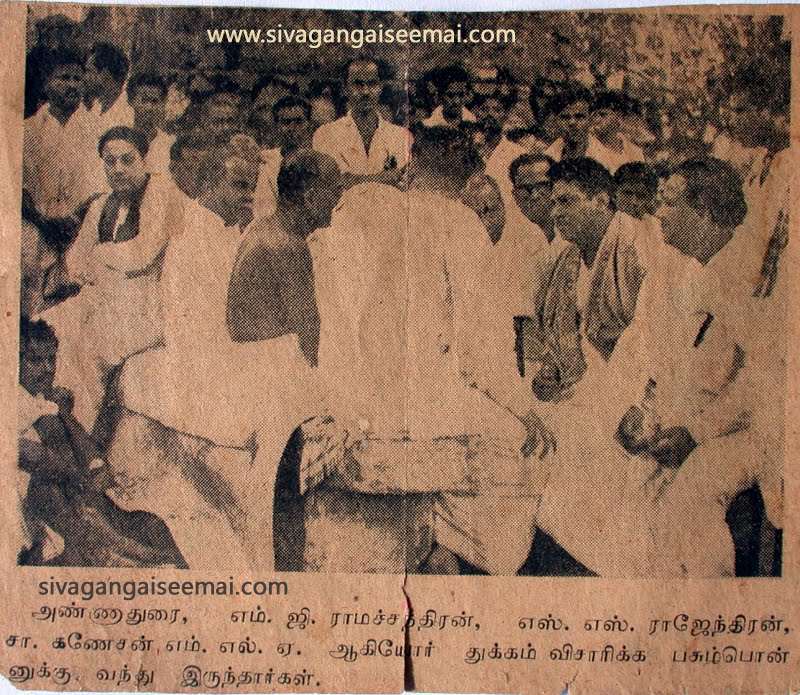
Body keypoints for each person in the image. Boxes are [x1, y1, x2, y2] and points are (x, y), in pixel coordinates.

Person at [305, 127, 552, 575]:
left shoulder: (356, 204)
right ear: (471, 180)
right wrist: (523, 410)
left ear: (412, 161)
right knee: (529, 451)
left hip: (346, 398)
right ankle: (468, 559)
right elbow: (484, 348)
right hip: (424, 403)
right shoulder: (461, 223)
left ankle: (436, 545)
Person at [40, 126, 180, 432]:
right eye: (110, 161)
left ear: (145, 160)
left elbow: (143, 253)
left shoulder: (160, 195)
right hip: (106, 299)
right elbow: (76, 261)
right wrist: (104, 263)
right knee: (53, 326)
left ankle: (81, 440)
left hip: (148, 308)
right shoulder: (103, 204)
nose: (118, 169)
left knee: (91, 352)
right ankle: (56, 429)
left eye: (127, 160)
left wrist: (101, 255)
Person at [17, 317, 183, 567]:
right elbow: (35, 457)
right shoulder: (17, 403)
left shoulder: (47, 401)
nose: (47, 368)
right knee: (50, 484)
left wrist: (70, 421)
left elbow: (87, 449)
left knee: (149, 524)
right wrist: (81, 477)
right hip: (44, 496)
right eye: (36, 361)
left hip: (75, 491)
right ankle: (111, 545)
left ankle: (118, 543)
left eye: (51, 359)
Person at [23, 46, 106, 221]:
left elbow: (98, 188)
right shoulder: (29, 130)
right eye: (64, 77)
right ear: (46, 84)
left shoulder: (95, 130)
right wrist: (45, 224)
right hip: (35, 226)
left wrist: (74, 221)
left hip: (81, 225)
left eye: (77, 79)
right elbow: (22, 189)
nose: (72, 85)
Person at [312, 57, 411, 186]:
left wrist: (354, 179)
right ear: (345, 88)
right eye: (358, 84)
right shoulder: (325, 134)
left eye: (372, 84)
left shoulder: (400, 135)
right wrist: (384, 178)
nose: (365, 92)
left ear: (381, 87)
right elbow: (332, 183)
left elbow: (403, 183)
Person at [252, 96, 314, 222]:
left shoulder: (321, 162)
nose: (292, 128)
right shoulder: (265, 162)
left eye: (298, 122)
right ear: (276, 126)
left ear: (309, 124)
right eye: (286, 122)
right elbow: (262, 210)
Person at [127, 72, 174, 175]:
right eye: (144, 100)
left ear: (163, 103)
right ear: (131, 101)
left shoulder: (169, 145)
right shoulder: (116, 140)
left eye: (154, 101)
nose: (149, 107)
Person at [83, 41, 133, 132]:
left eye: (89, 71)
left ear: (105, 74)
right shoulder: (95, 110)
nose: (84, 78)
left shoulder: (128, 114)